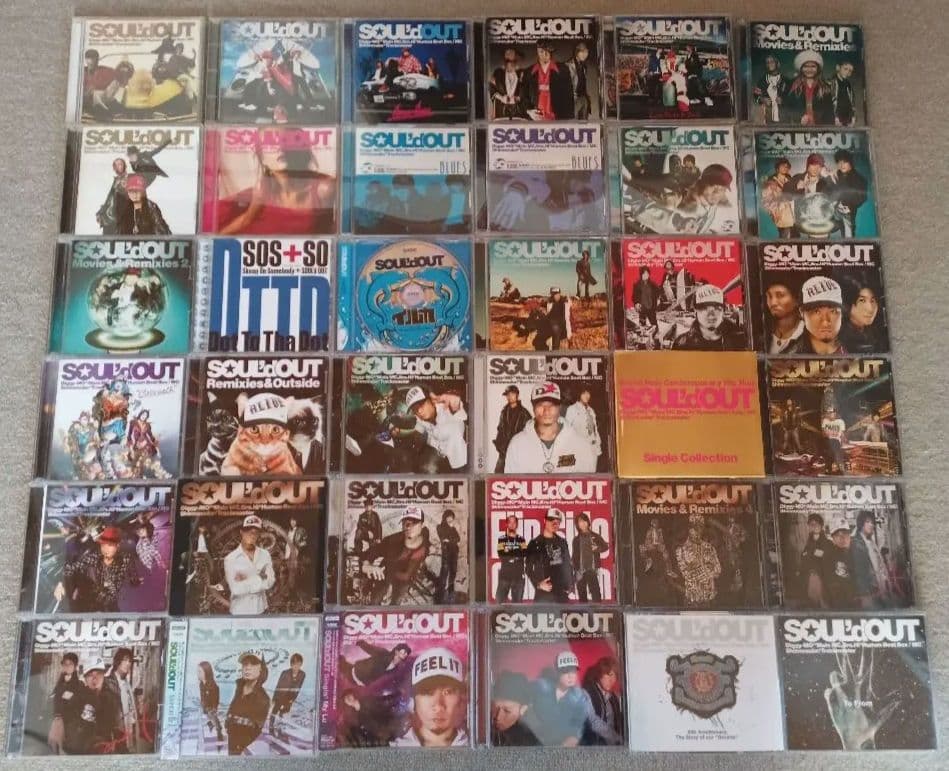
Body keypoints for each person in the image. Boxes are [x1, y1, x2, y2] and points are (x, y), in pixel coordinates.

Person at [214, 140, 336, 235]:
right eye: (271, 146)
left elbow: (331, 228)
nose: (280, 149)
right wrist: (215, 239)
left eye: (285, 143)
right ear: (263, 159)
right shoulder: (263, 188)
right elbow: (246, 220)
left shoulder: (324, 188)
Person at [532, 651, 622, 746]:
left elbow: (589, 722)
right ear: (557, 673)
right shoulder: (543, 691)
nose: (570, 676)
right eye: (566, 671)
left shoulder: (582, 695)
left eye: (573, 671)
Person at [504, 382, 597, 474]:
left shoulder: (581, 445)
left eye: (552, 405)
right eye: (540, 405)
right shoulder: (517, 444)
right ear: (533, 407)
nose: (546, 411)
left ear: (559, 407)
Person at [390, 647, 467, 747]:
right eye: (428, 692)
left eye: (448, 692)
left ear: (460, 699)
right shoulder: (395, 749)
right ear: (413, 701)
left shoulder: (476, 745)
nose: (438, 706)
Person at [55, 526, 142, 612]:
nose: (105, 549)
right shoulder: (92, 557)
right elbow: (70, 568)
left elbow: (129, 564)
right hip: (89, 596)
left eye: (110, 545)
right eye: (103, 545)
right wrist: (61, 583)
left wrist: (134, 579)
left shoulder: (123, 558)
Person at [359, 506, 431, 605]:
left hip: (405, 579)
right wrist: (366, 565)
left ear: (422, 525)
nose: (408, 526)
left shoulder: (426, 544)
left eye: (414, 522)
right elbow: (370, 552)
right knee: (375, 601)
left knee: (396, 602)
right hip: (386, 573)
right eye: (405, 522)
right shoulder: (392, 541)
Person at [404, 385, 468, 471]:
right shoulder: (420, 420)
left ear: (432, 401)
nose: (419, 411)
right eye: (415, 409)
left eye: (421, 405)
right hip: (443, 461)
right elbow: (418, 432)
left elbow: (463, 413)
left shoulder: (448, 407)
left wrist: (456, 401)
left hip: (464, 462)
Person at [223, 515, 276, 615]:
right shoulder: (230, 559)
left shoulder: (265, 554)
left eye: (255, 532)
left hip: (261, 609)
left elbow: (271, 580)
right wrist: (260, 578)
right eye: (248, 531)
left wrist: (245, 579)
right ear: (241, 532)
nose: (252, 535)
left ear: (259, 534)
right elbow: (236, 589)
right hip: (239, 612)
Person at [71, 656, 125, 754]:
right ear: (85, 678)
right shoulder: (77, 698)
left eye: (99, 674)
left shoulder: (112, 698)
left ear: (104, 676)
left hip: (106, 750)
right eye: (90, 675)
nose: (95, 679)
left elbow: (118, 728)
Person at [672, 284, 745, 350]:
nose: (711, 314)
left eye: (717, 307)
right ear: (695, 310)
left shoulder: (738, 342)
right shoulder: (682, 344)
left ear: (723, 310)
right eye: (704, 308)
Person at [225, 652, 270, 755]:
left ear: (261, 669)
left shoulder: (263, 699)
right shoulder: (240, 687)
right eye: (245, 664)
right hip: (232, 745)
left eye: (253, 663)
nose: (247, 668)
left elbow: (256, 731)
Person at [526, 508, 574, 603]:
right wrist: (538, 584)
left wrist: (570, 585)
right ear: (545, 521)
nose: (554, 524)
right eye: (551, 520)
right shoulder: (535, 543)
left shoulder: (562, 542)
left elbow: (568, 565)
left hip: (561, 594)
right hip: (544, 594)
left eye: (557, 522)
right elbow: (528, 568)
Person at [789, 276, 846, 354]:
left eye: (833, 311)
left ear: (841, 314)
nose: (825, 322)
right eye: (817, 311)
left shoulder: (855, 350)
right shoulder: (788, 357)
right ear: (802, 313)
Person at [675, 513, 721, 605]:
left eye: (700, 526)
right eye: (694, 527)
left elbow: (718, 570)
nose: (697, 530)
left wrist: (704, 572)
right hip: (692, 600)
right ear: (689, 528)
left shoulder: (709, 548)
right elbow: (685, 574)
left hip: (709, 600)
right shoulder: (681, 550)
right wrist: (706, 570)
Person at [523, 40, 573, 120]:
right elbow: (524, 96)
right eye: (541, 51)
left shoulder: (563, 69)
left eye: (547, 51)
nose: (545, 54)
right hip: (536, 118)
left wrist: (567, 121)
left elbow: (569, 97)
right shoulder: (528, 72)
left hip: (558, 118)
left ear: (551, 51)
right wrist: (529, 111)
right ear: (537, 52)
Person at [850, 510, 890, 608]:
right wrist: (864, 594)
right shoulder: (856, 543)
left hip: (878, 589)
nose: (871, 525)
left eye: (872, 522)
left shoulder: (871, 542)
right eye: (867, 522)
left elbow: (879, 565)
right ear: (861, 524)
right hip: (867, 593)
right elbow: (859, 572)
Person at [785, 49, 834, 125]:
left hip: (820, 127)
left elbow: (829, 111)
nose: (809, 69)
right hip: (797, 127)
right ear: (801, 68)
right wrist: (799, 118)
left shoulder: (825, 87)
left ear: (818, 68)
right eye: (806, 66)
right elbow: (787, 108)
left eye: (813, 66)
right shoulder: (792, 85)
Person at [581, 657, 623, 746]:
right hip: (595, 746)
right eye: (609, 675)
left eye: (615, 676)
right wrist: (617, 738)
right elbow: (593, 721)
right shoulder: (586, 693)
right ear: (599, 675)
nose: (612, 680)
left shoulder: (614, 697)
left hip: (614, 746)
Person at [48, 652, 84, 754]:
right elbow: (53, 698)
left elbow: (79, 704)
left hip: (70, 723)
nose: (67, 666)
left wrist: (70, 698)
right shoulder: (60, 682)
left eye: (70, 664)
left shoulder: (79, 684)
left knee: (65, 751)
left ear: (75, 666)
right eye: (65, 664)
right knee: (54, 748)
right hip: (57, 720)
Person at [491, 672, 540, 746]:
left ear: (523, 709)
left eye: (507, 711)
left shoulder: (532, 740)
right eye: (495, 708)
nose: (498, 717)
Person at [829, 149, 868, 238]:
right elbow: (826, 191)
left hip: (847, 214)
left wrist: (848, 206)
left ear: (850, 162)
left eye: (844, 162)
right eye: (839, 162)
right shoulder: (834, 174)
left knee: (848, 239)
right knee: (818, 230)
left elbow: (862, 198)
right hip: (832, 212)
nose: (841, 165)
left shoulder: (860, 179)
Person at [104, 647, 137, 752]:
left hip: (128, 731)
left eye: (130, 661)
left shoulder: (127, 684)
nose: (128, 663)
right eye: (125, 660)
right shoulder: (108, 683)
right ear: (118, 661)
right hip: (115, 734)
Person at [494, 385, 532, 472]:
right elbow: (500, 429)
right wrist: (499, 445)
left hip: (519, 451)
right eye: (507, 395)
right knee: (498, 474)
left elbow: (530, 433)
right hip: (504, 450)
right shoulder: (504, 412)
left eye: (512, 394)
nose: (509, 397)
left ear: (517, 395)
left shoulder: (524, 413)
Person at [571, 512, 608, 602]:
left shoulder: (595, 536)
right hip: (580, 571)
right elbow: (574, 556)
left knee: (596, 594)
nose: (582, 524)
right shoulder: (576, 539)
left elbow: (605, 547)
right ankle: (584, 611)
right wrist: (575, 570)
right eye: (580, 522)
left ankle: (598, 610)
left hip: (592, 569)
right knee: (582, 596)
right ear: (577, 525)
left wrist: (597, 548)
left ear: (588, 522)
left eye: (584, 521)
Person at [839, 275, 882, 353]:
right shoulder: (840, 336)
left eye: (872, 301)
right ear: (847, 304)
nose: (870, 309)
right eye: (862, 300)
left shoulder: (875, 333)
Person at [339, 642, 411, 687]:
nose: (406, 654)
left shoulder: (395, 668)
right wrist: (361, 643)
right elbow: (371, 649)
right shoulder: (384, 654)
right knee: (339, 663)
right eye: (404, 651)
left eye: (407, 653)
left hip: (360, 682)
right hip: (354, 672)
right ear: (396, 651)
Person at [799, 513, 833, 607]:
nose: (815, 526)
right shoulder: (808, 543)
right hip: (809, 577)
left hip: (823, 578)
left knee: (824, 603)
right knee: (812, 603)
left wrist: (812, 553)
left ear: (821, 525)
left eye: (817, 524)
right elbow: (804, 559)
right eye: (812, 524)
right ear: (809, 526)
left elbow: (826, 557)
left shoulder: (827, 543)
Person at [269, 653, 306, 735]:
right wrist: (274, 698)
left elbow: (299, 687)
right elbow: (279, 685)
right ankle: (271, 726)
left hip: (290, 696)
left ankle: (279, 726)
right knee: (275, 710)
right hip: (281, 695)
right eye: (294, 664)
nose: (296, 667)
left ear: (301, 664)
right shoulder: (285, 673)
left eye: (299, 664)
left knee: (284, 711)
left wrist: (293, 699)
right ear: (291, 664)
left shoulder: (302, 674)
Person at [765, 279, 805, 353]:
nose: (773, 303)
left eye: (780, 295)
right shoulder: (762, 333)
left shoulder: (809, 334)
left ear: (796, 300)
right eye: (769, 296)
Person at [563, 388, 602, 465]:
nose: (587, 395)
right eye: (584, 393)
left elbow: (595, 430)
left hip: (593, 449)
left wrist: (598, 444)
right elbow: (566, 431)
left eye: (588, 393)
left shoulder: (591, 410)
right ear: (579, 394)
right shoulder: (572, 409)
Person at [824, 517, 857, 608]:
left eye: (846, 533)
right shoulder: (829, 557)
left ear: (850, 535)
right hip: (842, 604)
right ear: (833, 538)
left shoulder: (857, 552)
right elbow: (831, 586)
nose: (843, 538)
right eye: (838, 535)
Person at [496, 514, 527, 602]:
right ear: (507, 524)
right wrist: (517, 553)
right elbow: (501, 554)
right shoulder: (502, 539)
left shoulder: (521, 539)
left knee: (517, 605)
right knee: (499, 603)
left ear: (517, 524)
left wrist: (509, 552)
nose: (512, 524)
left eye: (514, 522)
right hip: (505, 575)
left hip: (518, 576)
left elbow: (524, 553)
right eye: (510, 522)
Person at [490, 47, 527, 120]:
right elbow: (491, 88)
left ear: (517, 59)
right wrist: (501, 98)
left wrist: (518, 98)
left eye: (512, 61)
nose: (509, 64)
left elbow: (527, 90)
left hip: (518, 111)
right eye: (507, 60)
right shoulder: (498, 72)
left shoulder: (523, 73)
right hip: (501, 111)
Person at [97, 158, 130, 235]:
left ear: (125, 166)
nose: (118, 166)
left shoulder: (129, 178)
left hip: (121, 214)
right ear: (114, 168)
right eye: (116, 165)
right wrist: (101, 211)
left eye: (120, 164)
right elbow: (110, 197)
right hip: (110, 215)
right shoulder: (116, 180)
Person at [753, 54, 789, 123]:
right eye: (767, 62)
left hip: (784, 118)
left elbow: (792, 99)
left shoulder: (785, 80)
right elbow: (756, 96)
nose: (770, 64)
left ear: (777, 63)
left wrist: (783, 101)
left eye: (772, 62)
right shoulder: (762, 80)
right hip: (768, 118)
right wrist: (763, 99)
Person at [534, 286, 572, 350]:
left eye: (556, 294)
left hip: (561, 324)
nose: (555, 296)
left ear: (559, 294)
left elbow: (570, 304)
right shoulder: (550, 302)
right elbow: (542, 307)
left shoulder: (564, 302)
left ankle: (555, 350)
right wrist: (541, 311)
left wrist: (568, 299)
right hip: (550, 323)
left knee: (555, 329)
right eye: (553, 294)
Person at [436, 510, 460, 603]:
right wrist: (451, 540)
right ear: (445, 518)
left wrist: (449, 540)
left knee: (453, 573)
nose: (450, 519)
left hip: (454, 553)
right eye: (449, 517)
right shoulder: (440, 527)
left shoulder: (453, 528)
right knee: (444, 574)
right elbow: (443, 538)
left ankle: (450, 593)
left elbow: (458, 538)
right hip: (446, 554)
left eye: (452, 517)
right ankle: (440, 596)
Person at [197, 661, 223, 743]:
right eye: (198, 671)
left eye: (200, 672)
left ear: (206, 672)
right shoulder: (201, 684)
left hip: (211, 707)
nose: (198, 674)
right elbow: (202, 695)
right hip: (205, 706)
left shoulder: (213, 686)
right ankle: (210, 724)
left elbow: (216, 698)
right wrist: (202, 703)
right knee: (209, 717)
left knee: (214, 719)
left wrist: (214, 708)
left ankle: (219, 732)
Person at [565, 42, 592, 119]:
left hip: (583, 98)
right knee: (573, 121)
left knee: (583, 121)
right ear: (576, 52)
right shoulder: (569, 65)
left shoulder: (583, 66)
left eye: (586, 52)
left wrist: (587, 97)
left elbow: (582, 83)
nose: (585, 54)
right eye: (582, 52)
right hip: (573, 99)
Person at [822, 407, 848, 474]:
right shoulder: (825, 421)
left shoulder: (840, 421)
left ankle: (831, 468)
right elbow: (824, 433)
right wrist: (829, 434)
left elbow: (842, 434)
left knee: (833, 447)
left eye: (831, 413)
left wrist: (844, 443)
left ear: (835, 413)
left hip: (836, 441)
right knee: (831, 447)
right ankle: (837, 468)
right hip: (828, 440)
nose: (829, 414)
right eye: (828, 413)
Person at [284, 516, 307, 593]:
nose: (292, 522)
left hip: (294, 553)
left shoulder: (301, 530)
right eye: (291, 520)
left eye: (294, 520)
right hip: (287, 553)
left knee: (293, 571)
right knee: (288, 571)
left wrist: (298, 547)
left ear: (297, 521)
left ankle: (292, 591)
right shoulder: (288, 530)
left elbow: (305, 542)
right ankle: (289, 591)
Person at [832, 60, 857, 126]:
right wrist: (835, 117)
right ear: (838, 67)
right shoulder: (833, 82)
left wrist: (853, 116)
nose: (847, 72)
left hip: (847, 118)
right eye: (845, 69)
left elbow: (851, 101)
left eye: (850, 71)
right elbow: (833, 100)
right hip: (836, 118)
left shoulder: (848, 84)